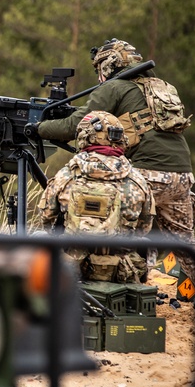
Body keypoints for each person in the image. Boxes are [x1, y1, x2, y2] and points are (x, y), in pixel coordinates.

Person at [34, 38, 195, 293]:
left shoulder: (114, 88)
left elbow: (75, 126)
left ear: (108, 66)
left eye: (99, 69)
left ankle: (134, 294)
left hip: (146, 174)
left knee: (112, 228)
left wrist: (38, 128)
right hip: (181, 175)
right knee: (185, 243)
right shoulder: (161, 87)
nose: (99, 75)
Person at [35, 110, 155, 282]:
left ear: (85, 136)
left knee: (38, 237)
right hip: (121, 272)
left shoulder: (66, 175)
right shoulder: (138, 181)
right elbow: (144, 228)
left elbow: (47, 219)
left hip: (71, 269)